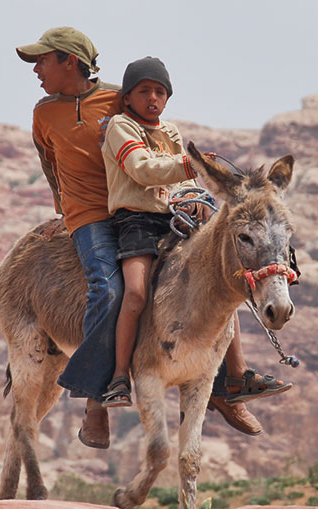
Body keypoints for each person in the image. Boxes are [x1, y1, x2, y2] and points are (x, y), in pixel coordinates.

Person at [15, 28, 286, 449]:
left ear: (70, 60)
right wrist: (61, 212)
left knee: (216, 274)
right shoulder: (44, 114)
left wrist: (192, 194)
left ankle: (230, 380)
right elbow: (52, 166)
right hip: (94, 217)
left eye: (42, 60)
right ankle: (95, 401)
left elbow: (162, 153)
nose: (36, 69)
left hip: (152, 212)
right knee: (108, 290)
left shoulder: (119, 99)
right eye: (146, 92)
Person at [98, 57, 293, 416]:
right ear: (127, 98)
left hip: (172, 221)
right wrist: (192, 165)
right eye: (144, 91)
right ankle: (118, 376)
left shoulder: (170, 132)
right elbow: (141, 169)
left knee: (222, 282)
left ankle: (237, 375)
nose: (153, 98)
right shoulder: (120, 127)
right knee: (136, 292)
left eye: (160, 92)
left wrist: (197, 196)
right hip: (135, 222)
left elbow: (184, 183)